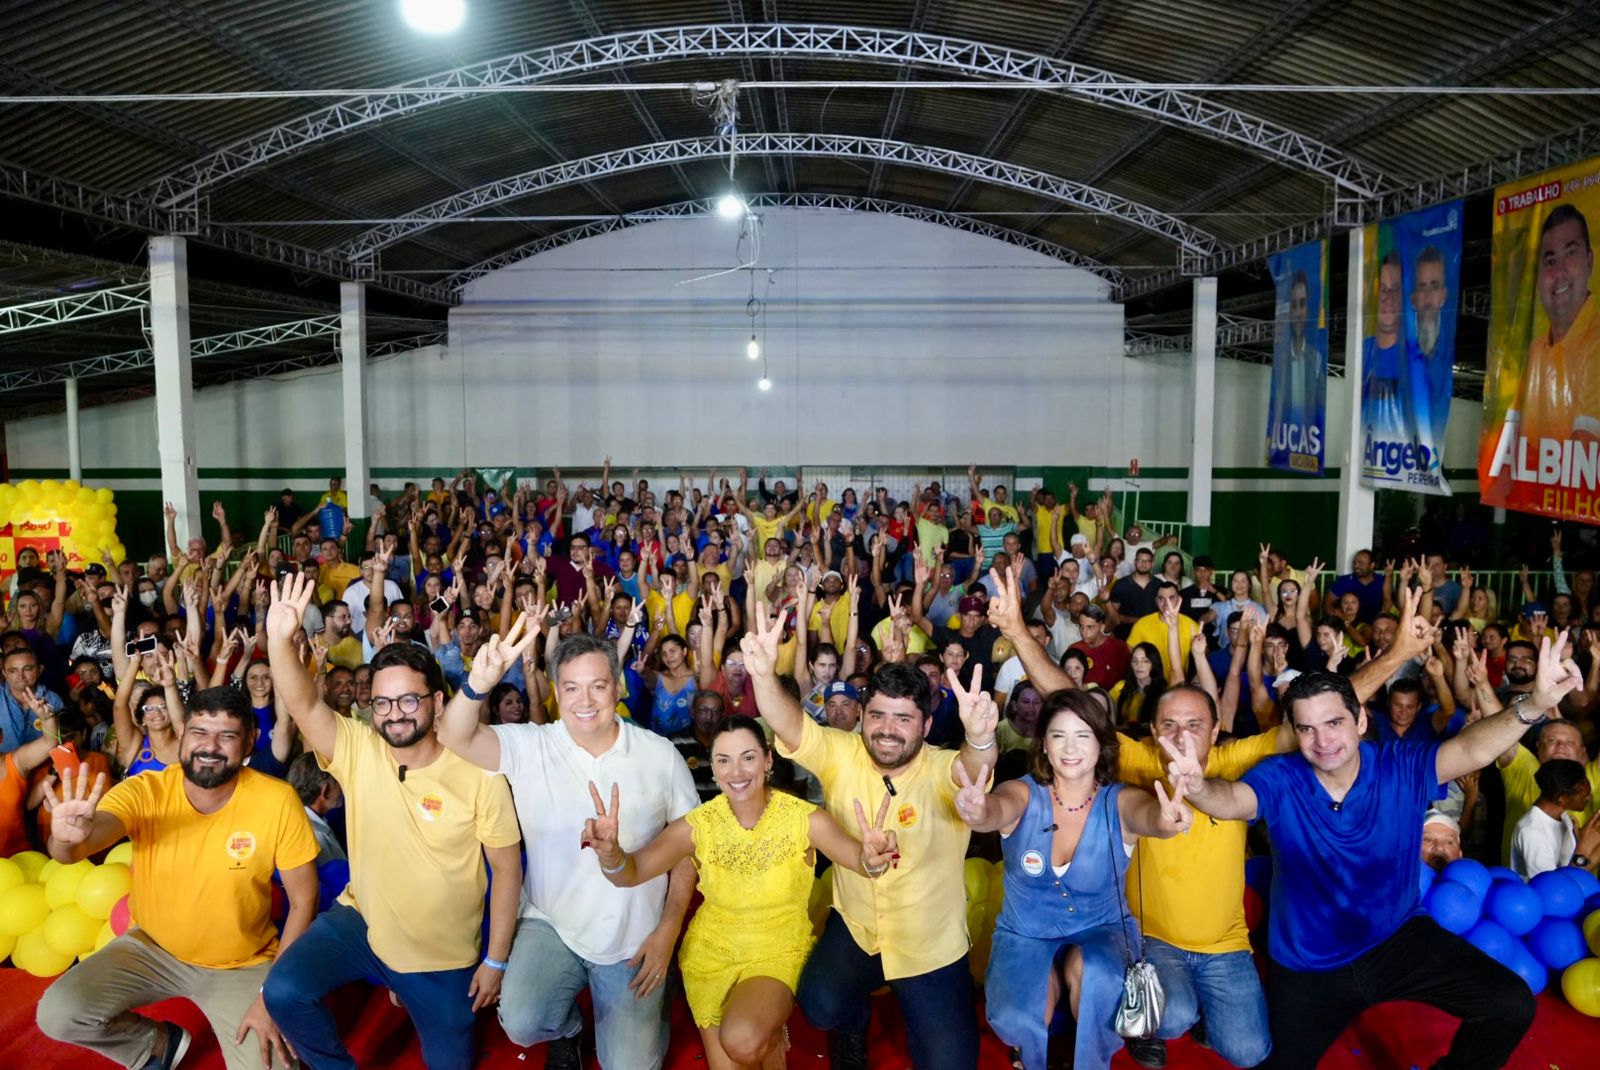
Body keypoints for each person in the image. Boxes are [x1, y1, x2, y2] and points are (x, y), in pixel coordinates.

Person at [1161, 588, 1577, 1070]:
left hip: (1396, 939)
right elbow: (1230, 800)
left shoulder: (1399, 765)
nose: (1323, 740)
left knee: (1510, 1004)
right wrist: (1194, 785)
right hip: (1309, 965)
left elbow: (1472, 750)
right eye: (1308, 728)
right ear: (1295, 732)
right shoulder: (1281, 777)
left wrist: (1535, 703)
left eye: (1334, 722)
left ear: (1360, 719)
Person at [261, 574, 523, 1070]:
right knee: (284, 991)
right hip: (364, 926)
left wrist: (496, 959)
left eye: (408, 700)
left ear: (439, 702)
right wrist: (278, 638)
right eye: (382, 702)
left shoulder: (480, 768)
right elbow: (302, 703)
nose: (394, 714)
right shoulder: (359, 746)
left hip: (440, 961)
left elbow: (507, 871)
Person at [743, 601, 997, 1070]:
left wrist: (980, 737)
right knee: (819, 1006)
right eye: (878, 715)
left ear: (925, 723)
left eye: (903, 719)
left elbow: (974, 771)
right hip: (857, 926)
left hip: (929, 943)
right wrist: (762, 674)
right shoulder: (840, 751)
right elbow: (788, 723)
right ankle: (854, 1021)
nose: (887, 730)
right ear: (862, 717)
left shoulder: (943, 768)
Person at [435, 625, 699, 1070]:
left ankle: (651, 1003)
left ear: (617, 689)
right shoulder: (532, 745)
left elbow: (689, 848)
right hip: (551, 923)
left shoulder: (659, 755)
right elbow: (453, 735)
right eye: (572, 688)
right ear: (556, 691)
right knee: (521, 1021)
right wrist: (478, 683)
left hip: (632, 936)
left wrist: (667, 932)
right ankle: (572, 1027)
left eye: (598, 686)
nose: (585, 700)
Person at [585, 714, 898, 1070]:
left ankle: (767, 1032)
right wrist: (611, 855)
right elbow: (631, 873)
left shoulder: (803, 818)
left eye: (747, 757)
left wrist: (874, 858)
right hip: (710, 956)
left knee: (742, 1041)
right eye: (724, 760)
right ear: (713, 770)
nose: (736, 771)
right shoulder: (697, 825)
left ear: (767, 761)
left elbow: (862, 864)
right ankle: (768, 1035)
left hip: (775, 951)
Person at [37, 687, 318, 1070]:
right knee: (58, 1013)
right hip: (151, 947)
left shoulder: (277, 800)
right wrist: (66, 838)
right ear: (182, 732)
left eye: (227, 736)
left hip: (241, 964)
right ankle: (155, 1045)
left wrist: (270, 995)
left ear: (250, 740)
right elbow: (76, 849)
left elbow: (304, 900)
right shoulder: (146, 789)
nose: (210, 746)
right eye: (200, 732)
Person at [952, 688, 1194, 1070]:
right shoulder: (1023, 793)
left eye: (1083, 735)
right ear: (1044, 744)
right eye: (1058, 735)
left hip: (1102, 927)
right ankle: (1029, 1054)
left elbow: (1149, 816)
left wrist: (1165, 823)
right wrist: (978, 812)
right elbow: (995, 810)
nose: (1070, 747)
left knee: (1099, 978)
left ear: (1101, 745)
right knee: (1013, 1016)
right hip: (1026, 930)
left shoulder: (1120, 800)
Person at [1510, 758, 1592, 878]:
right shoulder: (1531, 831)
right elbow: (1552, 888)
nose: (1589, 798)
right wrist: (1583, 848)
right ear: (1562, 798)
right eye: (1584, 795)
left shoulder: (1563, 816)